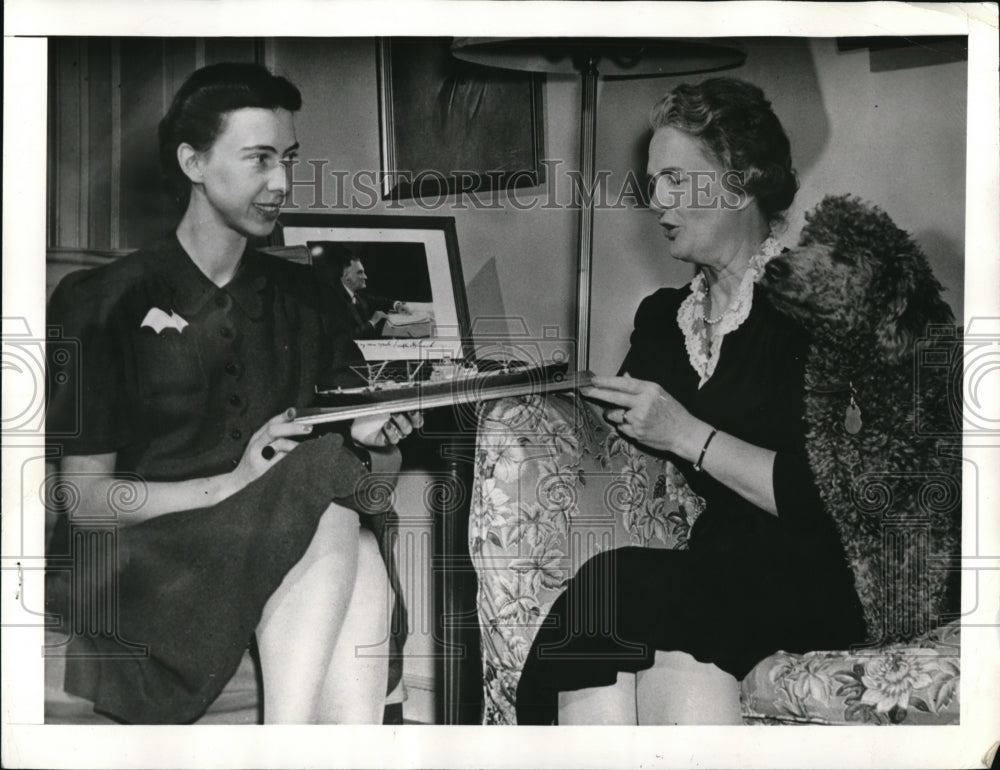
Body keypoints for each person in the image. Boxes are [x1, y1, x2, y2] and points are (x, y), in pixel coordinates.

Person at [45, 62, 418, 725]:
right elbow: (83, 501)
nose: (280, 183)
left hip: (284, 545)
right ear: (193, 161)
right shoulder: (100, 301)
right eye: (258, 159)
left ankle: (290, 745)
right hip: (149, 560)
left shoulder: (312, 298)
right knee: (333, 513)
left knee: (342, 514)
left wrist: (373, 442)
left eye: (289, 159)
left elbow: (371, 485)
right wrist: (234, 484)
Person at [514, 78, 867, 725]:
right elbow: (621, 420)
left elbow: (837, 495)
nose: (659, 200)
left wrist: (687, 435)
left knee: (612, 589)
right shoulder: (664, 321)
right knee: (659, 660)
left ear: (739, 182)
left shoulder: (824, 309)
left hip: (826, 573)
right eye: (655, 181)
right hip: (721, 575)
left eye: (677, 179)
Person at [320, 245, 409, 339]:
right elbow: (347, 337)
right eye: (360, 272)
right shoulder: (334, 302)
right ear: (346, 277)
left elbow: (376, 301)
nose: (365, 277)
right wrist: (372, 322)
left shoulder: (355, 294)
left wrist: (397, 305)